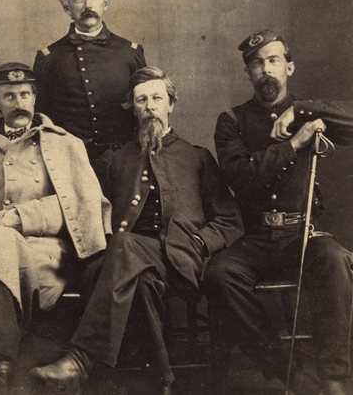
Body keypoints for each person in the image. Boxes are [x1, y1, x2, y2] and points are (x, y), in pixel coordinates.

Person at [29, 66, 244, 395]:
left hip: (181, 258)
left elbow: (230, 220)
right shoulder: (113, 160)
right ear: (133, 108)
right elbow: (87, 214)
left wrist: (200, 243)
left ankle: (81, 360)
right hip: (124, 264)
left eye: (157, 97)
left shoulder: (197, 157)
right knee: (138, 276)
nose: (150, 106)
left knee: (126, 245)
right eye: (141, 100)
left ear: (171, 104)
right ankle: (162, 383)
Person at [0, 63, 111, 395]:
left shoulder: (65, 144)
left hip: (51, 254)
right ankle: (2, 365)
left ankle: (1, 362)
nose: (19, 102)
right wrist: (1, 226)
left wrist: (19, 217)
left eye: (25, 94)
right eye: (9, 96)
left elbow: (81, 206)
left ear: (35, 98)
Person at [205, 28, 353, 395]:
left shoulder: (307, 111)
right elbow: (242, 179)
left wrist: (300, 112)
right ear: (248, 73)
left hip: (302, 235)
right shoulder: (231, 121)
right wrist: (296, 144)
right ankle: (288, 371)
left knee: (334, 260)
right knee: (220, 275)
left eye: (273, 61)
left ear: (289, 67)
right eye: (257, 64)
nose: (265, 69)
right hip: (253, 238)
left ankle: (335, 378)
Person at [33, 0, 147, 163]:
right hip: (70, 162)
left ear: (106, 2)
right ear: (66, 7)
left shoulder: (131, 53)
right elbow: (42, 120)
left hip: (124, 162)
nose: (88, 5)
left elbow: (144, 110)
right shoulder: (48, 59)